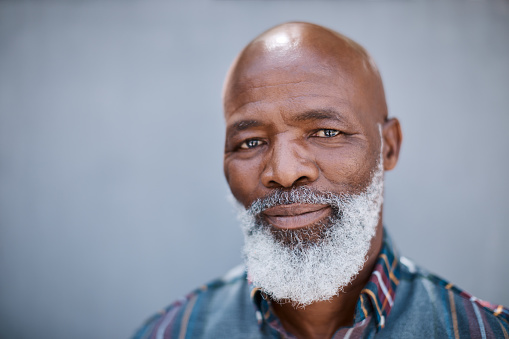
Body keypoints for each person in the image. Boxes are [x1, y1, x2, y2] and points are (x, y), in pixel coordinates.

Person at [133, 22, 508, 339]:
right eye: (250, 142)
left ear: (388, 147)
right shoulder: (171, 332)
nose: (282, 171)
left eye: (327, 132)